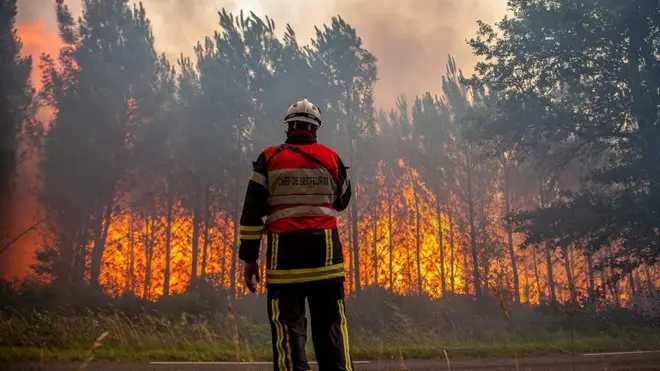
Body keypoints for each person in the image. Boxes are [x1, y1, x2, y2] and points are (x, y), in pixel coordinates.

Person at [238, 98, 354, 371]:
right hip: (326, 260)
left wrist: (250, 259)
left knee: (288, 332)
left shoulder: (269, 158)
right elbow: (342, 201)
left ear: (288, 128)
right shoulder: (331, 158)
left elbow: (251, 216)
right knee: (331, 329)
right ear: (316, 130)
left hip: (285, 261)